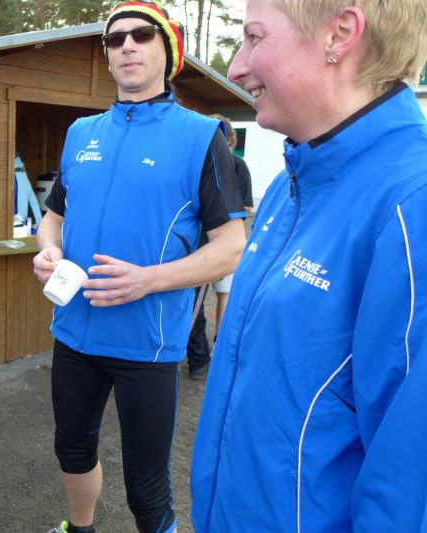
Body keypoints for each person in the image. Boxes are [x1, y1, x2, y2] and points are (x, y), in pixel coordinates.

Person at [191, 1, 427, 531]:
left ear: (339, 34)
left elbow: (408, 498)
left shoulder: (413, 208)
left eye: (254, 38)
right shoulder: (290, 186)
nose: (235, 68)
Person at [33, 2, 247, 532]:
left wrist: (148, 280)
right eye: (115, 38)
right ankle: (78, 528)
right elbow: (53, 218)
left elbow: (231, 246)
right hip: (74, 332)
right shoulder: (81, 133)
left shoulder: (201, 136)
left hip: (147, 342)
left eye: (142, 35)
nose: (127, 45)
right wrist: (48, 250)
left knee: (146, 486)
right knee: (71, 450)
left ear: (168, 52)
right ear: (107, 55)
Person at [186, 115, 253, 380]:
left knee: (222, 297)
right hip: (197, 244)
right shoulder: (196, 161)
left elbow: (246, 207)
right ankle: (199, 358)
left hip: (223, 245)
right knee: (196, 303)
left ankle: (216, 351)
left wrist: (221, 216)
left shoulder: (237, 165)